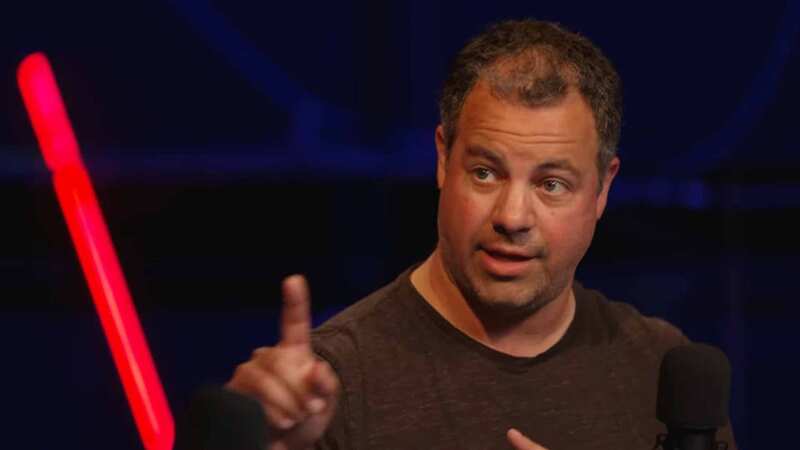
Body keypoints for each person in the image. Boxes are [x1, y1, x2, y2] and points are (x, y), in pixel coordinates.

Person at [226, 19, 737, 450]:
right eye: (486, 173)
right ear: (444, 159)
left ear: (603, 189)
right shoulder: (327, 389)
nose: (512, 216)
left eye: (551, 184)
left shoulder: (663, 371)